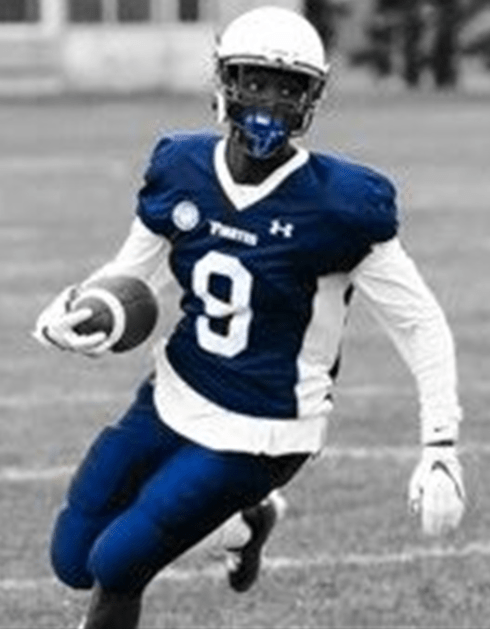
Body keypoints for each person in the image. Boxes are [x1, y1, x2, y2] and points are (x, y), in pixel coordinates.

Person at [33, 6, 465, 629]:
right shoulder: (181, 168)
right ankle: (245, 524)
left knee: (117, 562)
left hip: (265, 429)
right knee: (72, 558)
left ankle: (239, 505)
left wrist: (440, 445)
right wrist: (76, 306)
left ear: (311, 98)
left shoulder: (342, 205)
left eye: (287, 88)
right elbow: (132, 273)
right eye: (255, 81)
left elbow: (418, 322)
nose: (268, 102)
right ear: (224, 81)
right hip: (173, 393)